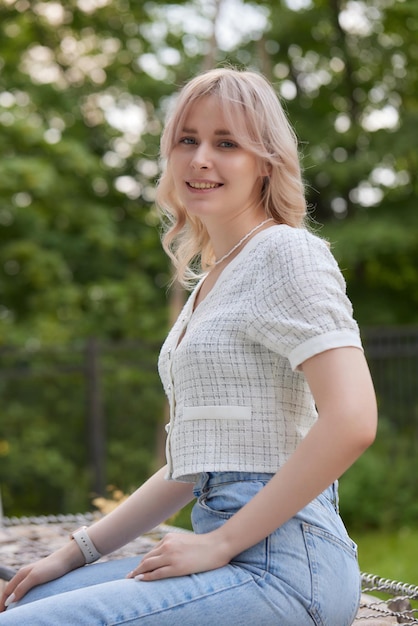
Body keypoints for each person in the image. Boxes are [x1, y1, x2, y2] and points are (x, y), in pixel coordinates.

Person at [0, 67, 377, 626]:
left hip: (287, 568)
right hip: (227, 555)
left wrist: (222, 542)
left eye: (226, 143)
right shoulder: (214, 280)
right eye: (187, 140)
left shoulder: (287, 253)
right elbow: (189, 467)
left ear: (265, 161)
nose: (201, 158)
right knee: (24, 599)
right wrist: (72, 553)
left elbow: (353, 419)